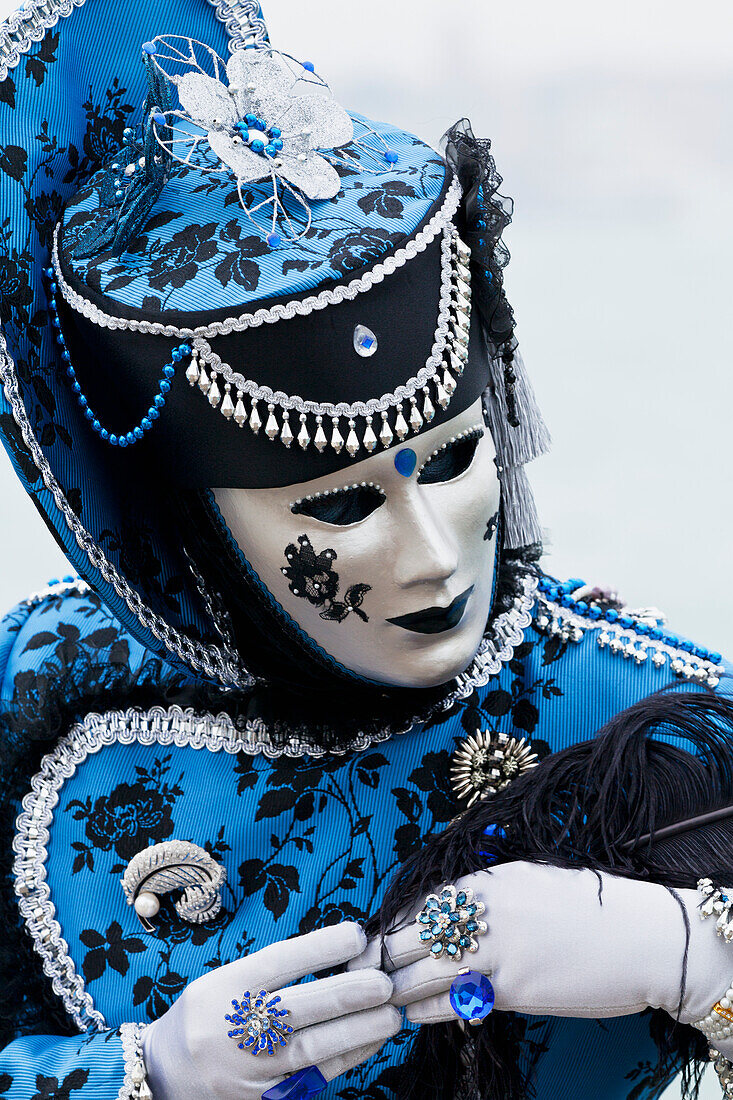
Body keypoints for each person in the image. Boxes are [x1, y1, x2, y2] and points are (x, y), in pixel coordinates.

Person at [0, 4, 731, 1100]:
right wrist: (140, 1074)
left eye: (450, 463)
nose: (433, 555)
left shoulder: (646, 722)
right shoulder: (36, 695)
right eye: (340, 504)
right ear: (188, 516)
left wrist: (691, 952)